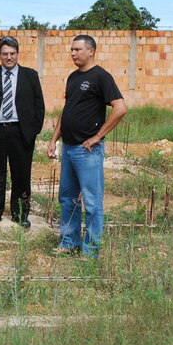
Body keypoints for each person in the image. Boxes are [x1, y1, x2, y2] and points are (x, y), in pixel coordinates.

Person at [47, 35, 127, 259]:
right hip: (69, 148)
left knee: (92, 202)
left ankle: (90, 251)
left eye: (77, 49)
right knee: (67, 199)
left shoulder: (101, 76)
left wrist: (98, 136)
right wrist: (54, 139)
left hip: (88, 151)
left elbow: (120, 108)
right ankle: (69, 242)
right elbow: (67, 110)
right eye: (71, 49)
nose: (73, 53)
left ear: (91, 51)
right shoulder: (73, 77)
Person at [0, 35, 45, 228]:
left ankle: (20, 213)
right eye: (5, 53)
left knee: (21, 174)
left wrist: (34, 130)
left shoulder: (30, 75)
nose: (9, 57)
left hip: (21, 133)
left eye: (12, 53)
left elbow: (39, 105)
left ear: (17, 54)